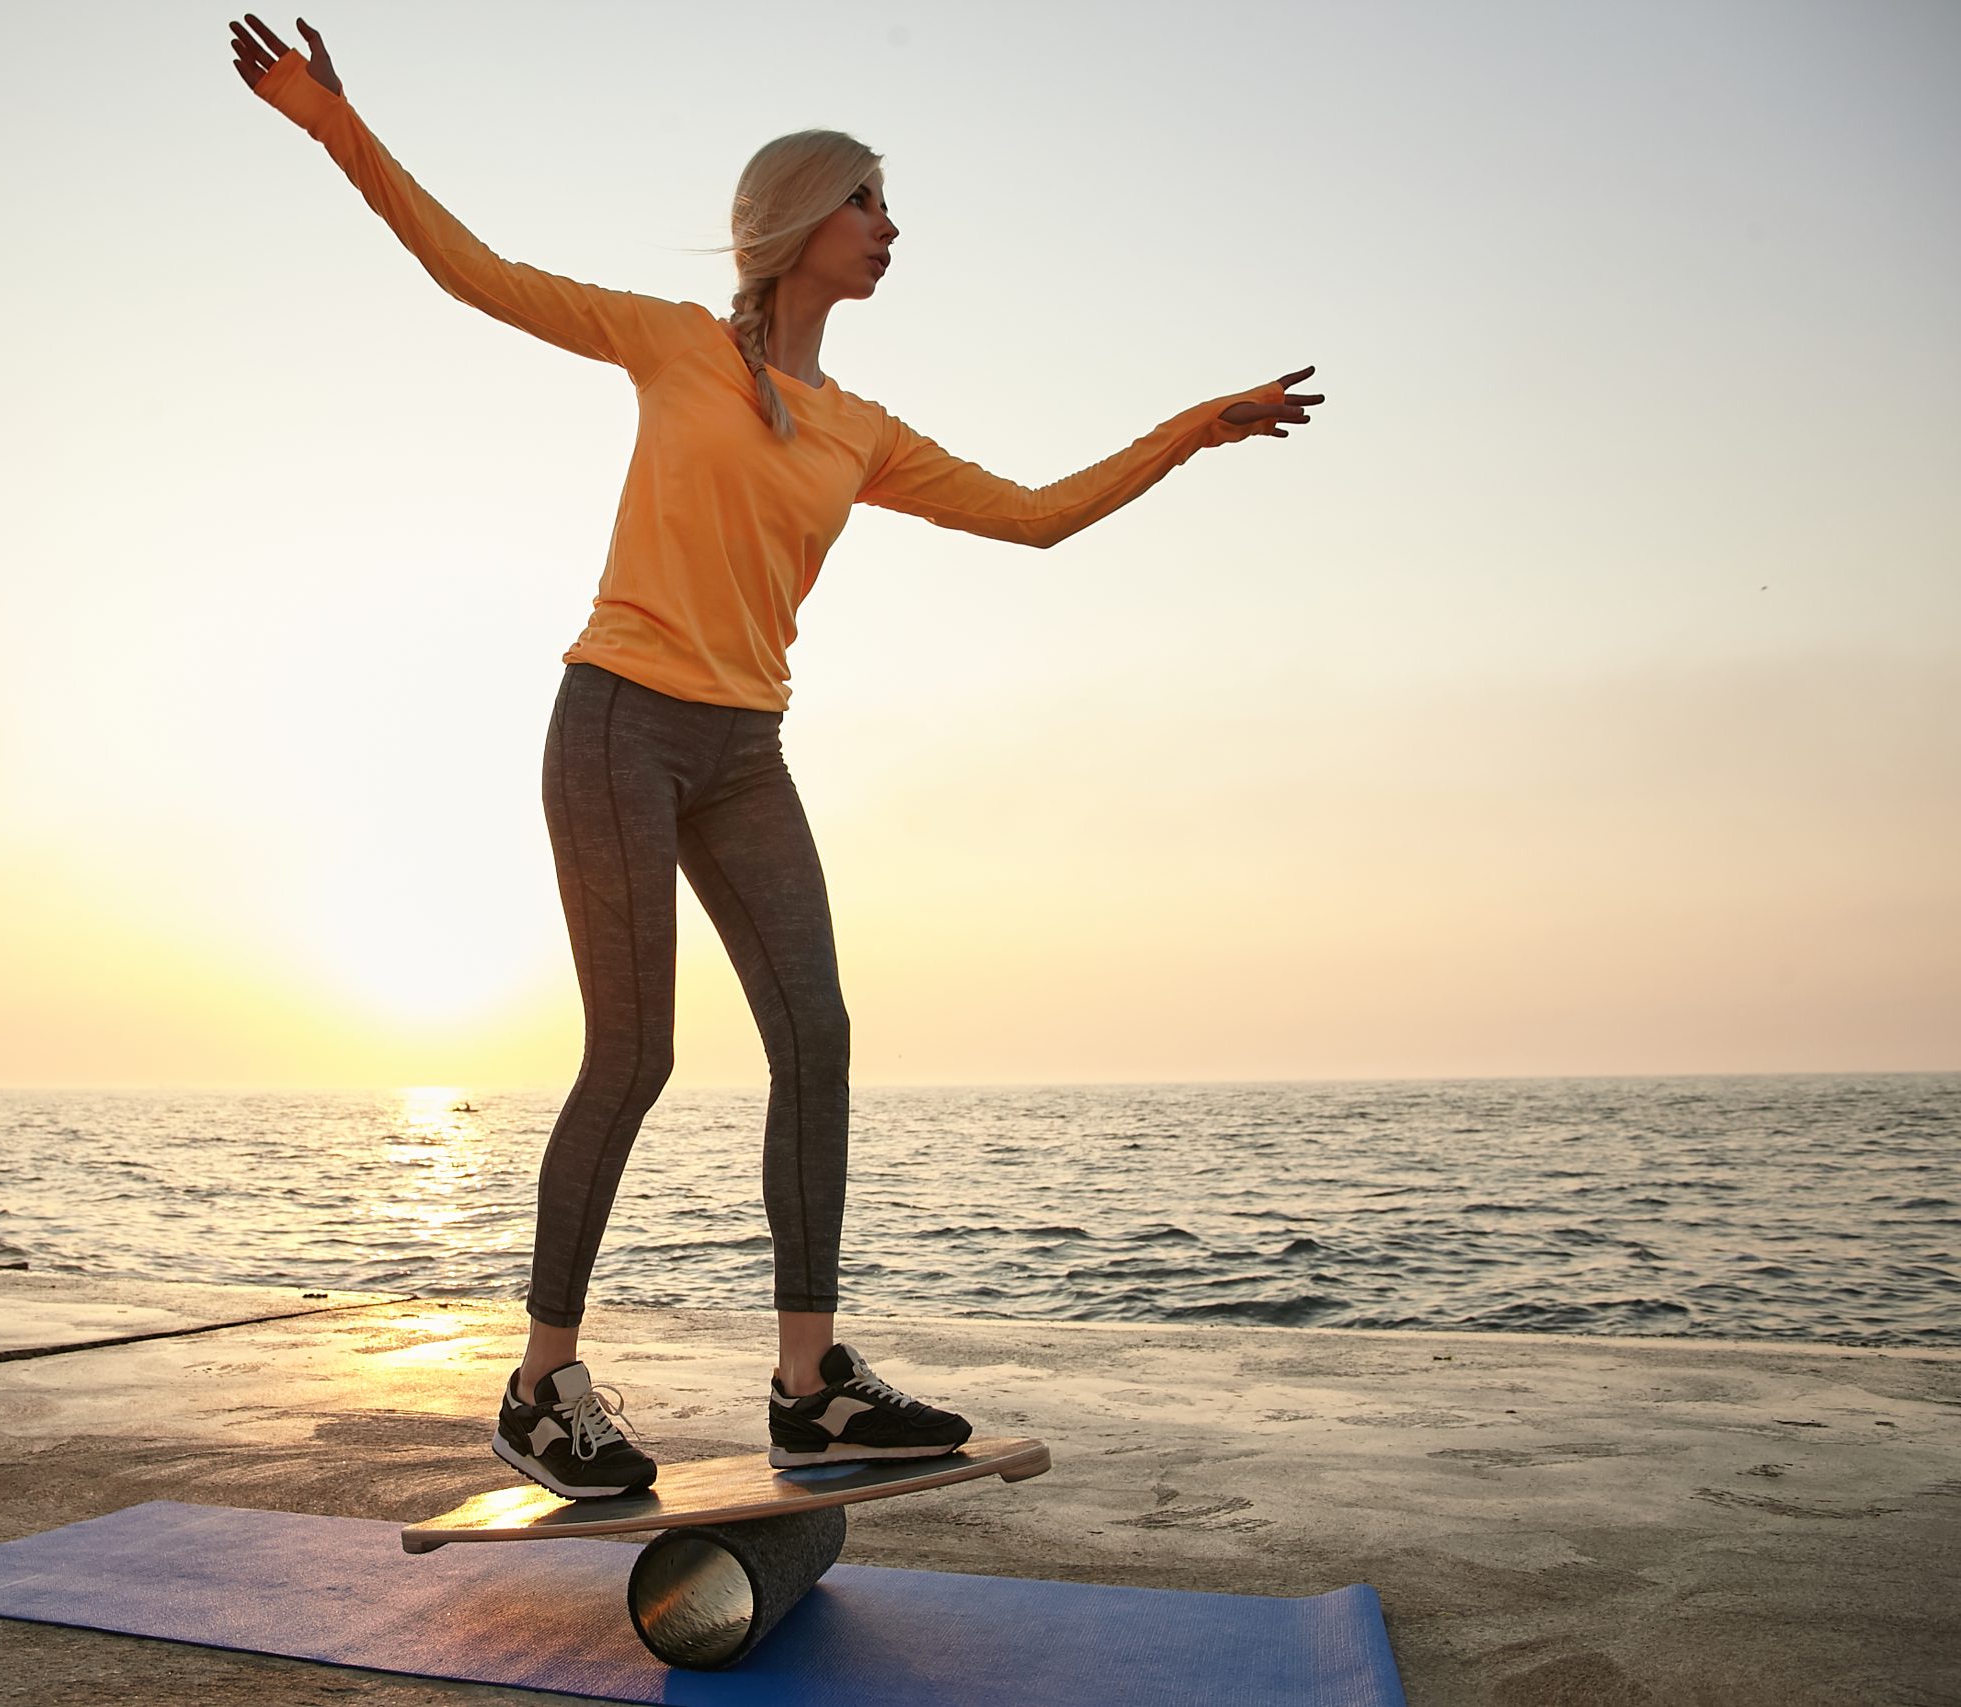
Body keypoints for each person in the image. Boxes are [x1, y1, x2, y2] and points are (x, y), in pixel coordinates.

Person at [228, 13, 1323, 1501]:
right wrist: (335, 127)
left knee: (817, 1033)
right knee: (639, 1052)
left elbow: (1038, 516)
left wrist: (1195, 427)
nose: (891, 228)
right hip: (615, 719)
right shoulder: (670, 344)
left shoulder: (858, 430)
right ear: (804, 221)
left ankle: (809, 1384)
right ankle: (541, 1382)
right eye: (869, 200)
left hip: (746, 750)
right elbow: (469, 270)